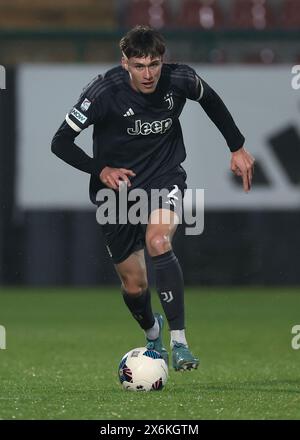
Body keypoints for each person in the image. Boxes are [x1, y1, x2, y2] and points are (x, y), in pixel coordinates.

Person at [51, 25, 255, 371]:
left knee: (159, 241)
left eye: (154, 64)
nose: (148, 74)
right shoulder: (103, 92)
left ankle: (180, 344)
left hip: (164, 177)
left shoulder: (180, 80)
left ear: (164, 61)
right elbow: (60, 142)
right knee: (134, 284)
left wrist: (236, 146)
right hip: (115, 192)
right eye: (140, 66)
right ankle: (152, 330)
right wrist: (100, 170)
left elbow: (211, 100)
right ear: (125, 63)